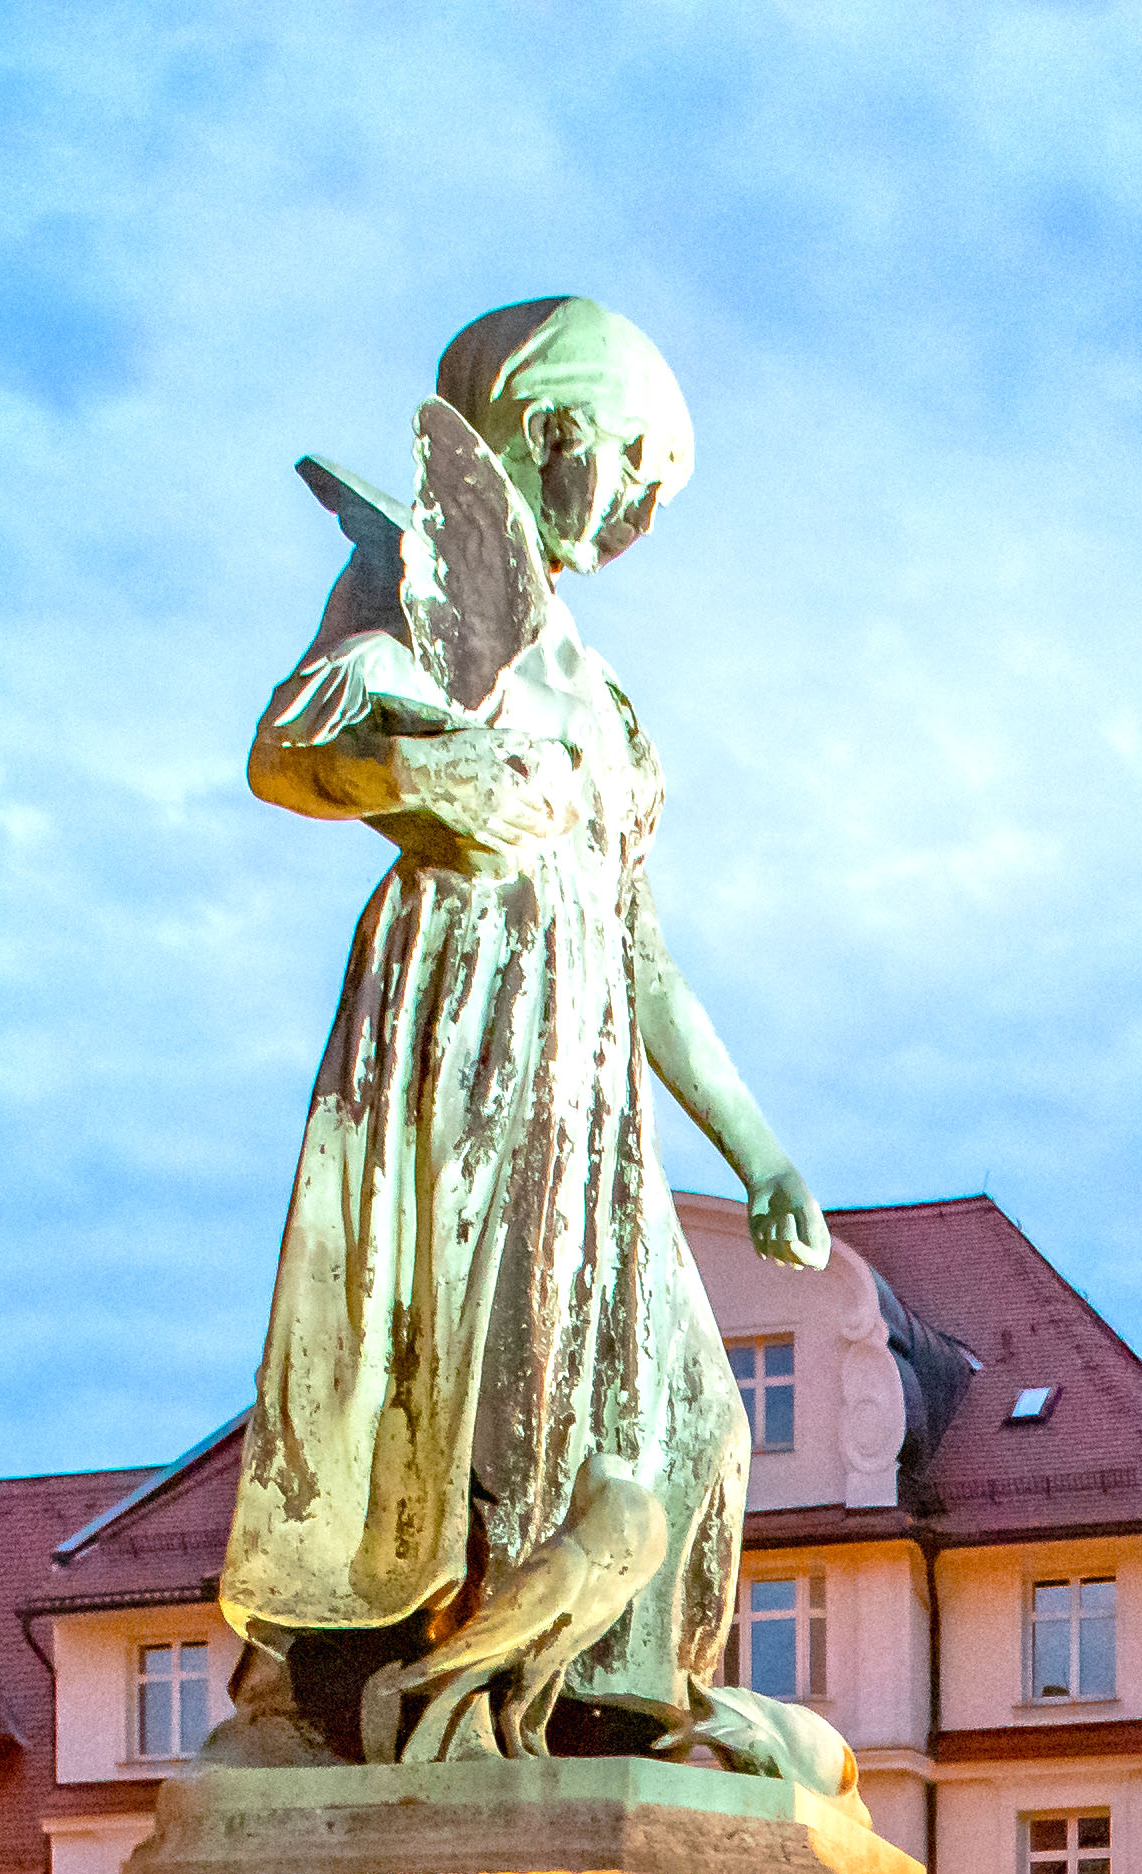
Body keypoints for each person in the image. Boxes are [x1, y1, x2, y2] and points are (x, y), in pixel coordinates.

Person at [220, 296, 818, 1764]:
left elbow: (643, 951)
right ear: (550, 435)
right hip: (468, 1026)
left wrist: (760, 1152)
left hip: (588, 1067)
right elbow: (293, 746)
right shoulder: (416, 572)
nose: (634, 516)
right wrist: (444, 766)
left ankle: (610, 1699)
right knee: (481, 1379)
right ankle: (418, 1674)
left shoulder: (604, 701)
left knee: (691, 1418)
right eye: (630, 469)